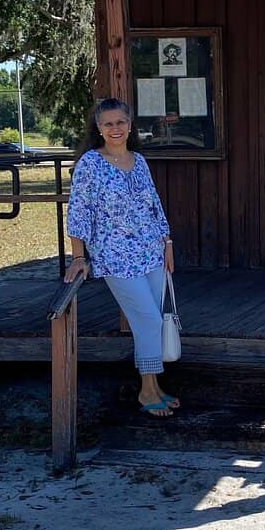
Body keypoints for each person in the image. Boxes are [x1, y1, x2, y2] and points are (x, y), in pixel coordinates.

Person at [65, 97, 178, 417]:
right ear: (98, 129)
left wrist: (167, 241)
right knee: (148, 319)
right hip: (115, 256)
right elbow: (79, 211)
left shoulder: (139, 161)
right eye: (108, 123)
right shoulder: (90, 163)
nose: (115, 128)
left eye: (121, 122)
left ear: (130, 125)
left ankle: (156, 387)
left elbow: (154, 205)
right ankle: (145, 390)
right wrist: (78, 256)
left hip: (151, 252)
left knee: (154, 319)